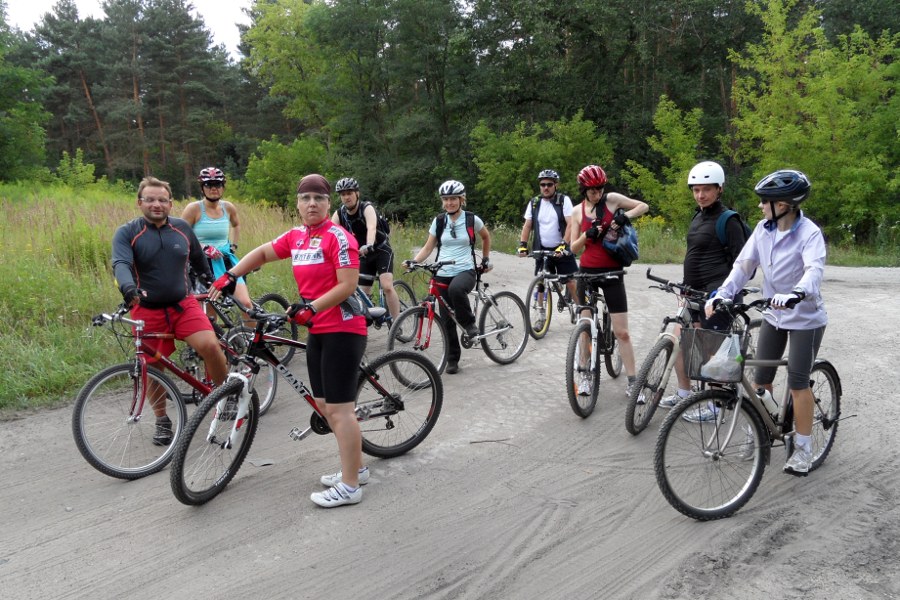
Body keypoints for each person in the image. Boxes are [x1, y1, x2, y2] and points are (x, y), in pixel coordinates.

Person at [209, 174, 369, 507]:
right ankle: (358, 467)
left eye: (319, 199)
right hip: (317, 329)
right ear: (297, 203)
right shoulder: (297, 236)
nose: (312, 204)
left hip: (342, 326)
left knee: (340, 411)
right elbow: (264, 253)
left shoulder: (338, 237)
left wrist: (311, 307)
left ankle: (352, 485)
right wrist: (231, 275)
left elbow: (348, 285)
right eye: (305, 198)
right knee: (324, 406)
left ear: (328, 204)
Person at [705, 169, 826, 475]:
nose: (760, 206)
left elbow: (813, 270)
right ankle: (759, 432)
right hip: (774, 314)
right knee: (761, 380)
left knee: (798, 382)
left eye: (765, 201)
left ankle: (802, 448)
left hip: (805, 317)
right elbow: (743, 266)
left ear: (785, 203)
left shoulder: (809, 233)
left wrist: (796, 292)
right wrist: (722, 293)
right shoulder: (763, 229)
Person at [112, 176, 228, 446]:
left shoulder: (182, 229)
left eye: (162, 200)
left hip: (183, 305)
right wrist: (128, 289)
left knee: (210, 346)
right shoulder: (128, 232)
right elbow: (120, 264)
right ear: (139, 202)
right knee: (151, 367)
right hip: (147, 309)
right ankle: (162, 420)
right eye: (150, 199)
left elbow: (200, 263)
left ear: (171, 203)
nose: (156, 204)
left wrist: (214, 285)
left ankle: (225, 396)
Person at [659, 161, 750, 409]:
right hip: (693, 293)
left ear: (719, 189)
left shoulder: (728, 220)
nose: (701, 195)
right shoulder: (698, 215)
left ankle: (716, 405)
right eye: (696, 190)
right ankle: (684, 393)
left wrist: (723, 293)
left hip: (716, 295)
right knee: (678, 341)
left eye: (706, 189)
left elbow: (743, 263)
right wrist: (684, 288)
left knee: (712, 351)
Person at [569, 164, 649, 398]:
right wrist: (587, 235)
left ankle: (633, 382)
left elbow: (643, 206)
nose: (597, 193)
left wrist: (625, 216)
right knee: (584, 328)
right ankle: (584, 374)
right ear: (583, 189)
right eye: (592, 190)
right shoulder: (576, 211)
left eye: (600, 188)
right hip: (586, 273)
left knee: (622, 332)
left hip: (613, 272)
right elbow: (573, 248)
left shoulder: (612, 200)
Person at [405, 179, 492, 375]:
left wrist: (485, 260)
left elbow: (486, 237)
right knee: (446, 319)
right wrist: (413, 261)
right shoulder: (439, 221)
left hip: (465, 270)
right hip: (442, 271)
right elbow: (428, 247)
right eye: (445, 199)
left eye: (453, 198)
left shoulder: (471, 219)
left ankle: (469, 324)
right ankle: (452, 359)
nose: (449, 203)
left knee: (456, 290)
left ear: (462, 199)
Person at [180, 167, 253, 316]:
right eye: (209, 185)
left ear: (223, 187)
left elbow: (236, 224)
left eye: (218, 185)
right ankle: (213, 338)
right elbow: (181, 234)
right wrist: (203, 247)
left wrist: (233, 245)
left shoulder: (228, 207)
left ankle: (250, 339)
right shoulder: (194, 209)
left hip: (226, 261)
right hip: (201, 264)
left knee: (245, 304)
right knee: (209, 310)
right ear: (202, 188)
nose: (214, 188)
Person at [331, 177, 401, 320]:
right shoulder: (339, 214)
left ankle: (397, 321)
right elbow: (331, 235)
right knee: (363, 293)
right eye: (343, 194)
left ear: (357, 194)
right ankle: (370, 318)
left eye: (349, 193)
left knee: (387, 286)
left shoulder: (366, 208)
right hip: (362, 255)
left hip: (381, 250)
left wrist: (368, 244)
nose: (346, 197)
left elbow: (371, 227)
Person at [516, 169, 579, 328]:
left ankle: (580, 309)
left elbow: (571, 224)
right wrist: (523, 245)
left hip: (561, 249)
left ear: (555, 185)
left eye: (549, 184)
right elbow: (527, 225)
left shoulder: (563, 201)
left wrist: (564, 244)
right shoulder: (534, 203)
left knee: (571, 281)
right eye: (543, 184)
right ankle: (541, 315)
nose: (545, 187)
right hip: (543, 249)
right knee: (541, 282)